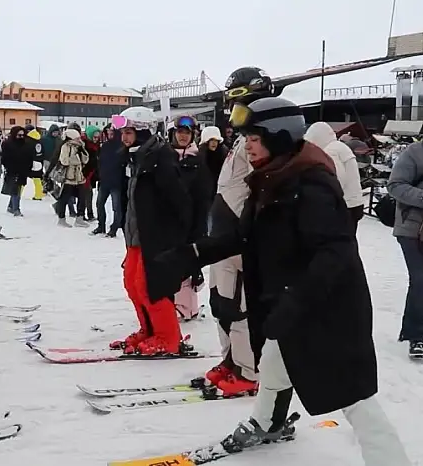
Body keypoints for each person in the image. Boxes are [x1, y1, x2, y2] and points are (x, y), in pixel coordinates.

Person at [149, 97, 411, 466]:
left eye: (254, 138)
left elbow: (335, 254)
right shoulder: (273, 177)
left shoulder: (312, 183)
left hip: (328, 310)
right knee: (273, 362)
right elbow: (245, 235)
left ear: (280, 136)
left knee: (356, 401)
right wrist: (189, 255)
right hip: (292, 305)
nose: (246, 146)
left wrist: (295, 301)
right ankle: (268, 422)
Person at [202, 66, 275, 396]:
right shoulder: (242, 139)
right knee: (221, 303)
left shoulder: (265, 138)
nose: (234, 111)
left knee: (240, 306)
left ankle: (248, 370)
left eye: (240, 102)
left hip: (240, 237)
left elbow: (264, 190)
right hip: (222, 234)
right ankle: (230, 361)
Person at [108, 114, 191, 355]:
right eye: (122, 132)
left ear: (143, 132)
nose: (123, 137)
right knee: (132, 284)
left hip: (155, 236)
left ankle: (168, 337)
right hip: (136, 234)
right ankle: (150, 330)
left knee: (149, 286)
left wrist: (173, 237)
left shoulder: (160, 158)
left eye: (129, 132)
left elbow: (179, 201)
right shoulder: (135, 158)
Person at [171, 115, 211, 321]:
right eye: (180, 133)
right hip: (170, 222)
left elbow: (203, 197)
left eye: (187, 133)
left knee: (187, 265)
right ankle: (175, 304)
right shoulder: (167, 157)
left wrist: (200, 228)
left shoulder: (198, 160)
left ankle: (186, 307)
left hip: (190, 222)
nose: (183, 136)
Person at [386, 140, 423, 358]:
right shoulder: (415, 152)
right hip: (412, 228)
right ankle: (416, 335)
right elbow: (395, 185)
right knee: (420, 279)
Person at [305, 122, 365, 232]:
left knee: (340, 241)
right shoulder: (340, 146)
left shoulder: (330, 151)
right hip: (354, 202)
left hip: (344, 204)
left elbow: (337, 179)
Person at [92, 124, 126, 237]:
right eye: (108, 132)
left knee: (116, 208)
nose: (109, 135)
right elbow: (100, 163)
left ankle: (114, 229)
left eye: (112, 132)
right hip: (104, 181)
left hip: (116, 182)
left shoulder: (122, 147)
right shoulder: (105, 146)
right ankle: (101, 226)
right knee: (99, 204)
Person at [52, 128, 89, 227]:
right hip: (68, 176)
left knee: (82, 197)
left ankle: (80, 218)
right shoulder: (65, 146)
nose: (79, 139)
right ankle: (61, 219)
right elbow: (64, 161)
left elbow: (85, 161)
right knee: (64, 198)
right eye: (77, 138)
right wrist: (75, 157)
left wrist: (83, 153)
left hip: (79, 176)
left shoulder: (80, 145)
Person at [1, 126, 31, 216]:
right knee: (15, 189)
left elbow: (29, 156)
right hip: (12, 170)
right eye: (19, 135)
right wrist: (8, 166)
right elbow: (4, 157)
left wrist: (29, 167)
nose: (21, 137)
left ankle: (11, 207)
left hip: (23, 170)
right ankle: (16, 209)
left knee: (18, 188)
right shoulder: (7, 144)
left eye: (23, 135)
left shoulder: (26, 144)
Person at [198, 125, 228, 199]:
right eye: (211, 140)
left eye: (216, 140)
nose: (214, 143)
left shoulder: (224, 155)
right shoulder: (199, 157)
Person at [79, 125, 101, 222]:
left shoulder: (96, 145)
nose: (96, 139)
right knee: (85, 194)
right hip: (83, 173)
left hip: (91, 173)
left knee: (88, 194)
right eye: (94, 137)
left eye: (97, 137)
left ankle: (87, 214)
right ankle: (84, 214)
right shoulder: (83, 144)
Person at [25, 124, 46, 200]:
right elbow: (43, 151)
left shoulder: (27, 140)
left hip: (29, 161)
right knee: (37, 179)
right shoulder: (39, 140)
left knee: (22, 178)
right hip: (39, 162)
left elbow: (26, 152)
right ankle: (38, 195)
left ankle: (18, 194)